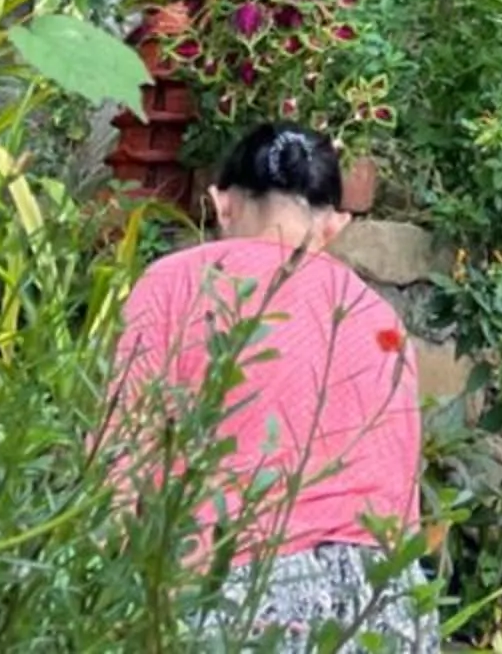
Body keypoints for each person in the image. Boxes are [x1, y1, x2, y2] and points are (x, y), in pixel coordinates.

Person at [109, 120, 435, 652]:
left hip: (244, 597)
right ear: (334, 226)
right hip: (387, 604)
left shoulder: (175, 282)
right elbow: (399, 497)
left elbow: (121, 458)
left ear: (221, 204)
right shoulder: (379, 318)